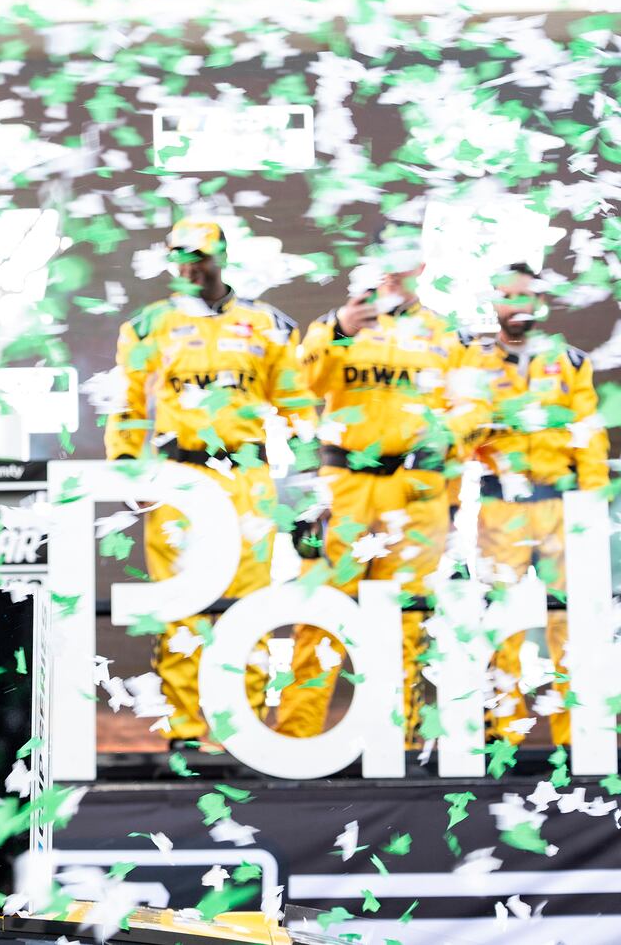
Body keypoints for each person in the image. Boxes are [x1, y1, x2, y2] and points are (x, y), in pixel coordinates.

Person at [106, 219, 317, 749]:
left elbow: (296, 405)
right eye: (181, 255)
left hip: (246, 476)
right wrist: (129, 467)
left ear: (222, 255)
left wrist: (313, 476)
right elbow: (128, 406)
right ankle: (184, 728)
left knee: (248, 605)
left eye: (201, 255)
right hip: (178, 478)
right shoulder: (147, 325)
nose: (191, 265)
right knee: (180, 602)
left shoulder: (268, 323)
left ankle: (237, 728)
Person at [277, 234, 490, 741]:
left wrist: (447, 436)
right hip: (346, 485)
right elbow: (292, 387)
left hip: (416, 490)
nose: (393, 273)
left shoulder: (450, 338)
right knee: (320, 614)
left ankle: (400, 740)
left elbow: (477, 408)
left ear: (420, 266)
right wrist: (335, 330)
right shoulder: (342, 325)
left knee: (406, 619)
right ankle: (296, 738)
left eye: (403, 263)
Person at [466, 264, 608, 745]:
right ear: (494, 303)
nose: (518, 307)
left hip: (561, 507)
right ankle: (502, 736)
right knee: (496, 620)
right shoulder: (475, 361)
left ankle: (576, 738)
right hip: (499, 508)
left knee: (569, 623)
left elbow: (589, 436)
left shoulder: (569, 361)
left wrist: (590, 506)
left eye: (527, 297)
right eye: (509, 297)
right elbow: (459, 428)